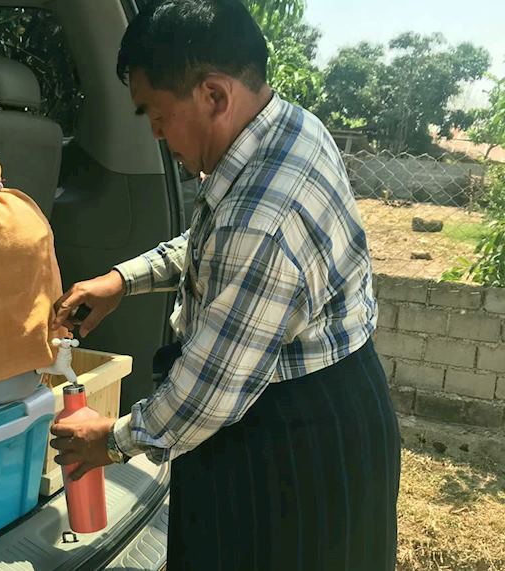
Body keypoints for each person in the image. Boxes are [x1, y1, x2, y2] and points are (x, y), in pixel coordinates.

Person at [48, 1, 400, 569]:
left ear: (214, 95)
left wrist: (109, 440)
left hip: (292, 440)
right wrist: (121, 281)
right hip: (324, 404)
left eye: (156, 116)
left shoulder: (266, 215)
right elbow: (213, 243)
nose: (160, 137)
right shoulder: (286, 131)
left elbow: (208, 394)